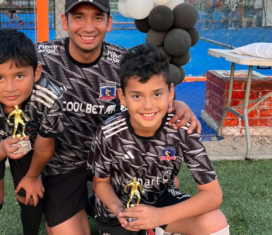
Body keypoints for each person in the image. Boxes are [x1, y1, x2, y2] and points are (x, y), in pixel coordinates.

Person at [0, 0, 201, 235]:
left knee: (166, 179)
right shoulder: (40, 57)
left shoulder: (124, 63)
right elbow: (3, 67)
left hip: (113, 161)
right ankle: (87, 201)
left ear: (109, 23)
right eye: (79, 17)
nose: (88, 27)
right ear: (65, 21)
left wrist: (177, 104)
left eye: (97, 17)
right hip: (62, 165)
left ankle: (101, 201)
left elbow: (155, 91)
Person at [88, 44, 229, 235]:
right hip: (119, 214)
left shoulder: (182, 128)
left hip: (162, 205)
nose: (148, 106)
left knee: (215, 221)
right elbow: (100, 183)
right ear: (122, 96)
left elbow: (213, 195)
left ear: (170, 93)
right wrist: (119, 210)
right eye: (137, 95)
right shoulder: (108, 132)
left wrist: (160, 216)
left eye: (157, 94)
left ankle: (158, 229)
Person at [0, 29, 63, 235]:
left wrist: (33, 176)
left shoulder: (50, 98)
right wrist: (2, 148)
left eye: (19, 76)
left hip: (30, 145)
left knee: (28, 193)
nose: (10, 87)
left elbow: (45, 147)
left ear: (36, 72)